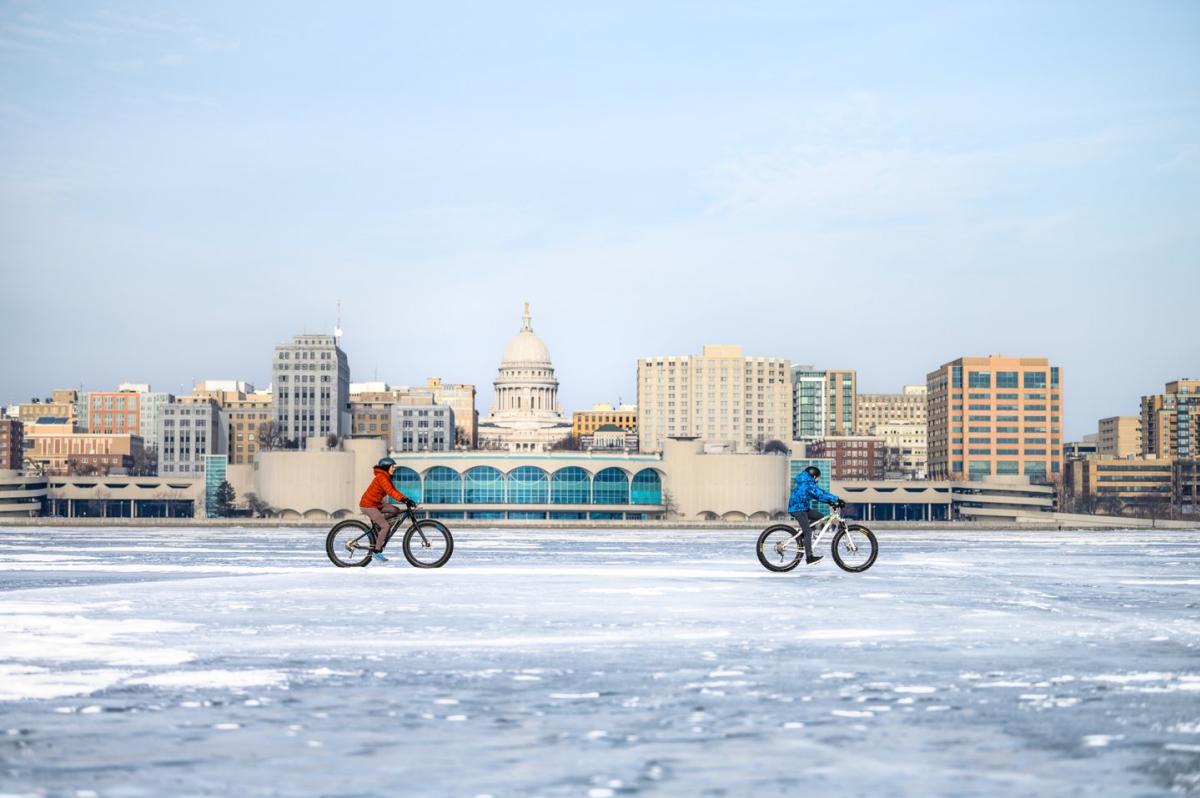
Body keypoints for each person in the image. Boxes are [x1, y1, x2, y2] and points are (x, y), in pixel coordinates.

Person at [358, 457, 415, 563]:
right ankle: (377, 551)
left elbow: (394, 490)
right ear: (386, 466)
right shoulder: (381, 477)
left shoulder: (386, 476)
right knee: (386, 526)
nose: (394, 468)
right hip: (368, 505)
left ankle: (380, 526)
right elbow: (390, 492)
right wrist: (405, 500)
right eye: (392, 466)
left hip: (377, 504)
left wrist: (407, 499)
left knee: (395, 511)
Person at [787, 464, 844, 565]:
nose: (818, 480)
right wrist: (836, 499)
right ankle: (809, 557)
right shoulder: (808, 484)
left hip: (802, 508)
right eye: (818, 478)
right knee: (808, 531)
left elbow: (818, 496)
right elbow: (819, 493)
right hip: (798, 510)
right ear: (813, 476)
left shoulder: (806, 482)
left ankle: (804, 536)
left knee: (819, 517)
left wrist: (829, 501)